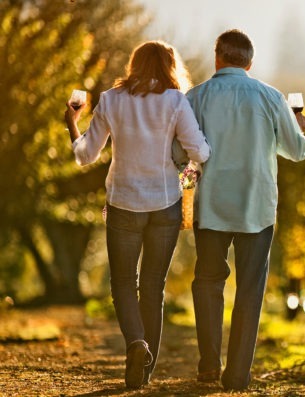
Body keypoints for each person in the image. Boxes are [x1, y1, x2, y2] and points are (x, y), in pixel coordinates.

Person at [64, 40, 210, 388]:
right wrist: (185, 174)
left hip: (123, 203)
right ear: (169, 66)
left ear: (134, 65)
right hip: (164, 203)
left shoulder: (111, 100)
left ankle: (136, 344)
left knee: (123, 284)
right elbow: (200, 152)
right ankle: (144, 374)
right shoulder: (175, 101)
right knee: (153, 287)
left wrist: (72, 122)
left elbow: (85, 155)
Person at [186, 28, 305, 391]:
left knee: (207, 283)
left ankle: (209, 363)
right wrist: (299, 128)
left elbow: (182, 153)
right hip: (257, 208)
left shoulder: (196, 97)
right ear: (250, 63)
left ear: (217, 58)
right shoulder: (270, 97)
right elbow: (298, 151)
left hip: (211, 206)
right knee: (250, 290)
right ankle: (237, 375)